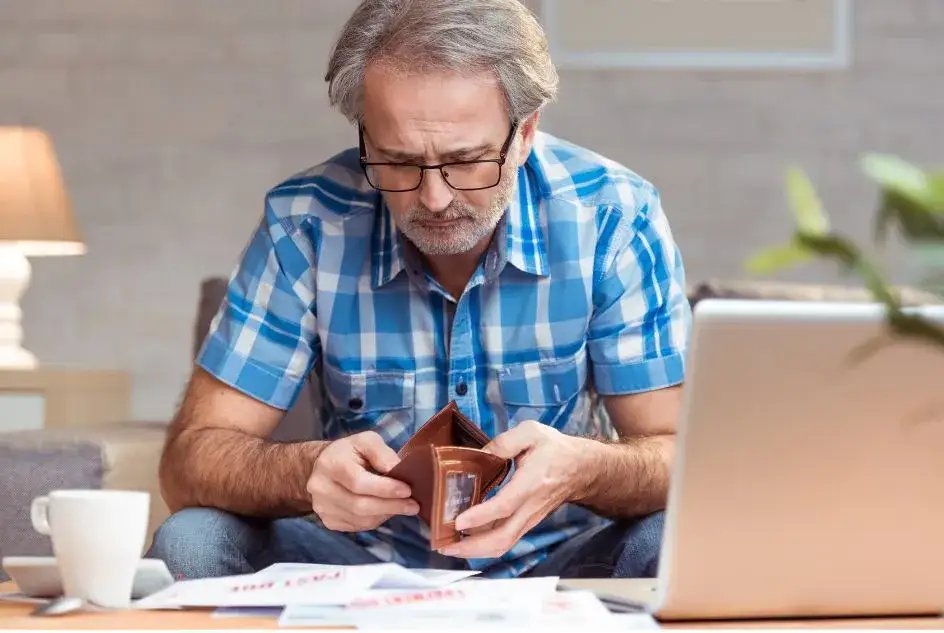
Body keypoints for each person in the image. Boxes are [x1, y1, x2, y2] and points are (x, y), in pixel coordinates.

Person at [148, 0, 691, 581]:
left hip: (561, 559)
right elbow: (190, 462)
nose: (433, 199)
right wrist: (303, 471)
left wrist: (583, 470)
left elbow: (683, 456)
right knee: (191, 539)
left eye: (466, 160)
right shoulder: (307, 222)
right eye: (398, 161)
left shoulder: (612, 217)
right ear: (365, 134)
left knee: (674, 540)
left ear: (526, 132)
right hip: (354, 561)